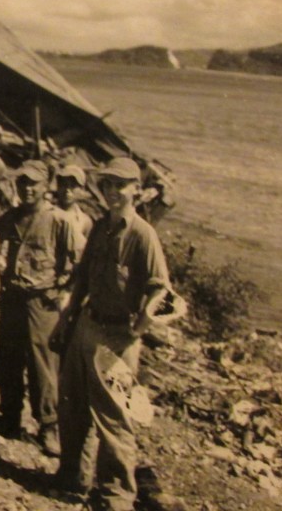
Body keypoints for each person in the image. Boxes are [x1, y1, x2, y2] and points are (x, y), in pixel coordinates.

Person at [52, 157, 172, 511]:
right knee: (72, 404)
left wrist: (139, 327)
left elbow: (160, 290)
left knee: (114, 417)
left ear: (136, 189)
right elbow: (83, 279)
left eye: (122, 185)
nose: (114, 192)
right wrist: (67, 319)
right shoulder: (102, 227)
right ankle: (71, 475)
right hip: (87, 326)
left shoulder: (142, 235)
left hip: (118, 336)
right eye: (108, 185)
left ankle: (115, 494)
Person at [0, 160, 77, 456]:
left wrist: (62, 290)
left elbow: (78, 262)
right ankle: (10, 417)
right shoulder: (9, 218)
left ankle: (48, 425)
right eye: (23, 183)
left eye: (33, 184)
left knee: (43, 365)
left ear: (45, 187)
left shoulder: (59, 221)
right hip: (13, 298)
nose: (27, 189)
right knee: (7, 358)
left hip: (42, 301)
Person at [55, 164, 94, 257]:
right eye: (64, 184)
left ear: (81, 189)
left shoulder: (85, 221)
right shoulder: (48, 213)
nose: (67, 190)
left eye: (73, 186)